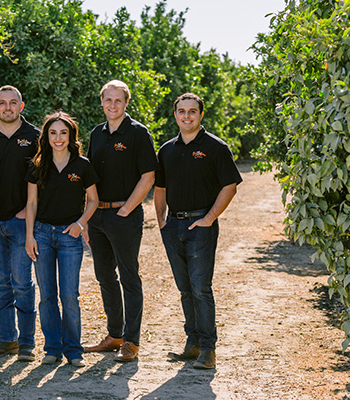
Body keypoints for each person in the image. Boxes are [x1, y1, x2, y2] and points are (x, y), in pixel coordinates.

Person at [154, 92, 242, 369]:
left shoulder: (216, 147)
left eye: (192, 111)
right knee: (185, 289)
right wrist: (161, 221)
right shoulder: (166, 149)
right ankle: (191, 345)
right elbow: (160, 188)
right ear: (176, 114)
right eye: (182, 111)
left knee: (201, 288)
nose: (187, 116)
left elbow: (230, 185)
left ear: (201, 115)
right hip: (174, 226)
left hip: (200, 226)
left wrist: (209, 218)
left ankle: (207, 349)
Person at [84, 80, 157, 362]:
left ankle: (131, 341)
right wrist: (88, 218)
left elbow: (148, 175)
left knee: (128, 276)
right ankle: (114, 335)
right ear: (101, 101)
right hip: (98, 215)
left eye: (118, 101)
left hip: (124, 215)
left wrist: (127, 208)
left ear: (126, 103)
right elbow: (89, 179)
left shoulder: (138, 133)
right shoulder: (96, 133)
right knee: (104, 276)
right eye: (108, 100)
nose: (112, 105)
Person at [25, 111, 99, 367]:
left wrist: (80, 224)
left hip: (70, 236)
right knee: (47, 296)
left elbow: (93, 200)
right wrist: (29, 236)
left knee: (69, 295)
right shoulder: (37, 164)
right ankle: (52, 348)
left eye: (63, 133)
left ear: (71, 136)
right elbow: (31, 203)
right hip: (42, 235)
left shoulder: (82, 165)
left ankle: (74, 350)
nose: (58, 138)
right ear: (46, 136)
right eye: (53, 132)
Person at [0, 86, 40, 361]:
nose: (8, 107)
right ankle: (7, 340)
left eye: (13, 103)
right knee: (1, 282)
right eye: (2, 103)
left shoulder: (36, 137)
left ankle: (26, 343)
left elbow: (45, 177)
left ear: (21, 106)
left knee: (23, 283)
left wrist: (30, 211)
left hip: (21, 222)